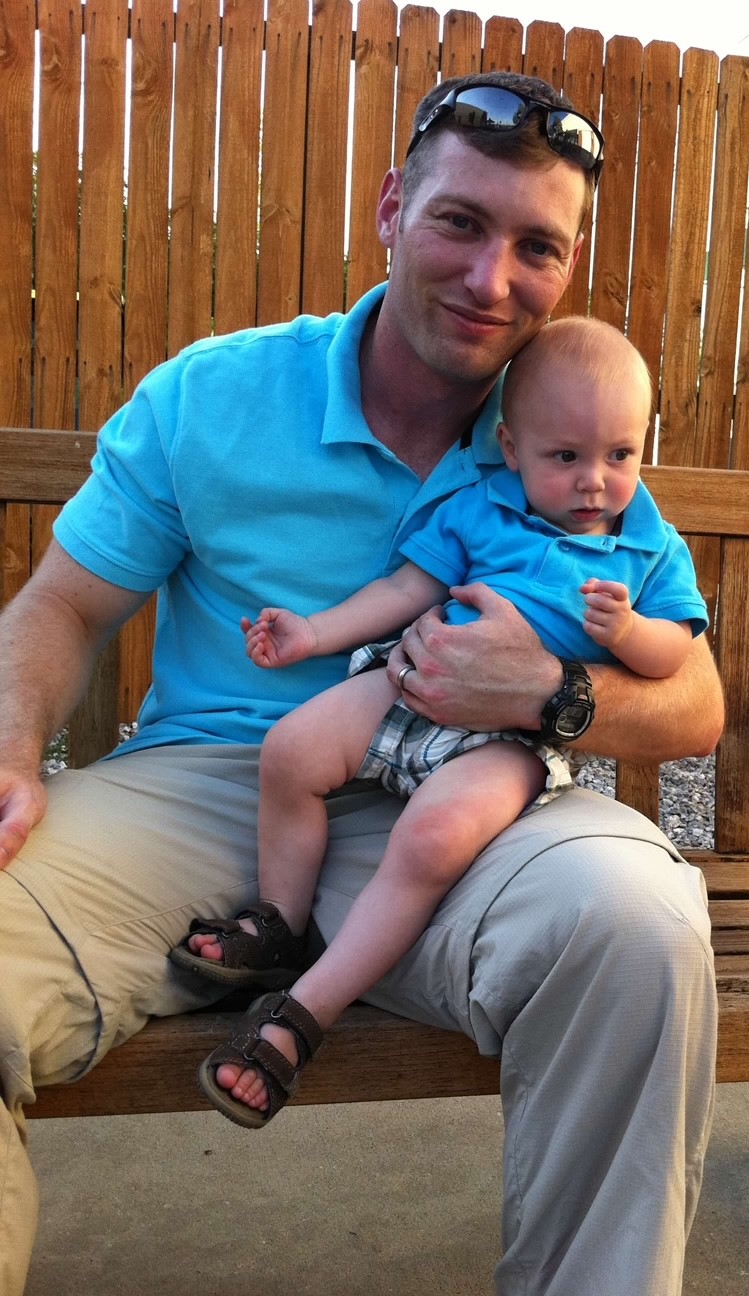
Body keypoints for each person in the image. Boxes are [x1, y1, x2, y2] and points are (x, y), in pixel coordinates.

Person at [0, 70, 723, 1296]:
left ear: (567, 265)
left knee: (640, 928)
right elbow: (62, 604)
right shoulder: (215, 394)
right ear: (392, 208)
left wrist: (545, 690)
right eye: (459, 222)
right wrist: (14, 748)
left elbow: (695, 703)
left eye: (534, 245)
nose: (492, 278)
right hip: (212, 785)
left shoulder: (567, 441)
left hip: (470, 799)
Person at [169, 317, 710, 1126]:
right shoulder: (479, 508)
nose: (595, 481)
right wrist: (313, 634)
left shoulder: (651, 551)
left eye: (620, 455)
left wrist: (629, 634)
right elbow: (403, 594)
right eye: (565, 456)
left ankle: (299, 1016)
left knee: (430, 840)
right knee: (291, 751)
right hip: (409, 683)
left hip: (511, 741)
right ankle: (279, 923)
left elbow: (677, 653)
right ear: (511, 444)